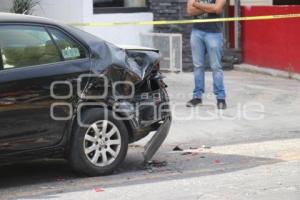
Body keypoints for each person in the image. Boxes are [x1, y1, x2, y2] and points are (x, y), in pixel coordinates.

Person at [186, 0, 227, 109]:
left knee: (216, 67)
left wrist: (197, 5)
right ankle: (197, 97)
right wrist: (210, 7)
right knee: (198, 66)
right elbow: (189, 11)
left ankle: (220, 98)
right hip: (196, 32)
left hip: (214, 33)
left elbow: (217, 9)